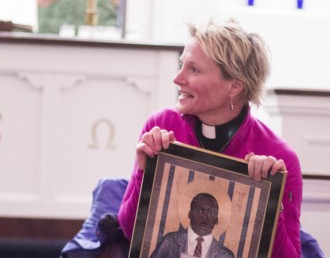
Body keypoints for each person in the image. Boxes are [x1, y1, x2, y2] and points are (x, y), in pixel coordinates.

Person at [118, 19, 303, 257]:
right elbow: (129, 229)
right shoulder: (160, 126)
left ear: (234, 86)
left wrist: (269, 205)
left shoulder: (279, 157)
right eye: (182, 64)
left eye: (193, 69)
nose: (177, 79)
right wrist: (144, 173)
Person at [150, 193, 234, 258]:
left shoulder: (225, 255)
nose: (205, 217)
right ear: (190, 213)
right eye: (200, 211)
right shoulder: (170, 242)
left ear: (216, 220)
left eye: (211, 213)